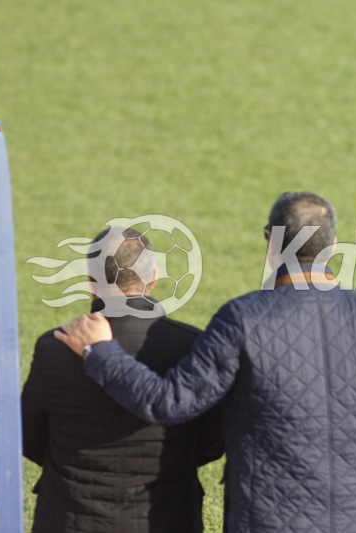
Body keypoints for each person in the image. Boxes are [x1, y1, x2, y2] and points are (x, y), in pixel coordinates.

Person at [54, 192, 356, 533]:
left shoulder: (242, 318)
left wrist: (101, 351)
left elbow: (170, 401)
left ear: (272, 245)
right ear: (333, 246)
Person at [21, 227, 223, 533]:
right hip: (166, 517)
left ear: (90, 283)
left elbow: (29, 436)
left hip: (70, 519)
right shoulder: (191, 345)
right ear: (153, 278)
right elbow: (213, 439)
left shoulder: (53, 348)